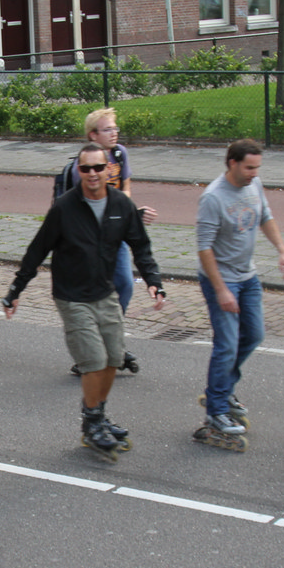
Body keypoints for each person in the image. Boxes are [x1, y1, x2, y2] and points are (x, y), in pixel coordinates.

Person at [3, 143, 166, 462]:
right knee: (93, 360)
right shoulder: (65, 208)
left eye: (98, 168)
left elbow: (141, 247)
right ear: (79, 171)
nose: (92, 174)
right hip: (72, 296)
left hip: (105, 292)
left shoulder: (120, 205)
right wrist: (15, 290)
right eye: (86, 168)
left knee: (114, 358)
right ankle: (91, 424)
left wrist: (154, 282)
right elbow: (37, 250)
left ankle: (97, 414)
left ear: (108, 170)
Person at [194, 140, 284, 449]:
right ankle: (216, 411)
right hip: (220, 280)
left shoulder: (254, 185)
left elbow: (265, 216)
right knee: (226, 344)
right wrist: (221, 289)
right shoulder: (213, 197)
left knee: (254, 335)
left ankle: (222, 388)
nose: (254, 173)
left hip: (247, 277)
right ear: (232, 163)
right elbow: (204, 248)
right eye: (249, 167)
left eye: (257, 167)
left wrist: (282, 250)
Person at [64, 108, 157, 375]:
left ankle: (108, 339)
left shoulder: (119, 154)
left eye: (115, 128)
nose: (114, 133)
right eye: (107, 129)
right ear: (93, 135)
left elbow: (125, 187)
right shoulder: (82, 167)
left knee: (124, 284)